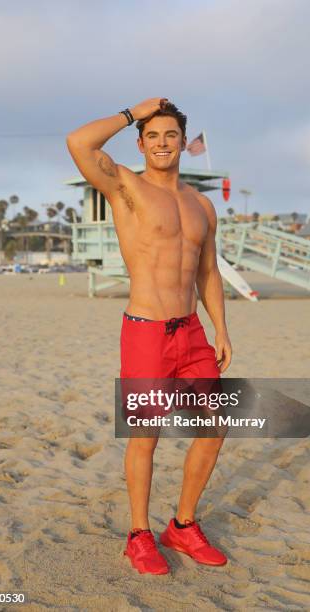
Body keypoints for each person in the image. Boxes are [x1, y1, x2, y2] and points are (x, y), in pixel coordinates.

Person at [66, 98, 232, 575]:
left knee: (214, 429)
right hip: (145, 332)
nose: (162, 143)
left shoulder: (201, 206)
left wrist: (221, 327)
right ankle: (139, 535)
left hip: (193, 332)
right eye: (153, 136)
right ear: (141, 143)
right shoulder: (125, 187)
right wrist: (130, 112)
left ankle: (182, 525)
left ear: (183, 142)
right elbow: (78, 142)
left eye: (171, 136)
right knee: (146, 436)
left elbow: (208, 272)